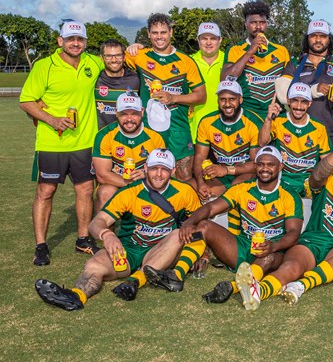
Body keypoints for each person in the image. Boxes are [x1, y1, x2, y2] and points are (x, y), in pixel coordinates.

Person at [34, 149, 205, 310]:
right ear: (145, 168)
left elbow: (200, 225)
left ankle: (135, 281)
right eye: (154, 168)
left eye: (164, 169)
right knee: (94, 265)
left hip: (161, 250)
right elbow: (97, 222)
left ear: (173, 170)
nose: (158, 174)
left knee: (177, 235)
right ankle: (76, 296)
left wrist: (201, 254)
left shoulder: (185, 192)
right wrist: (107, 234)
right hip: (128, 250)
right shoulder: (129, 192)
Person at [239, 132, 333, 306]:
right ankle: (258, 292)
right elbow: (317, 176)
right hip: (312, 243)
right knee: (290, 268)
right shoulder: (326, 178)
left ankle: (301, 285)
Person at [175, 145, 303, 310]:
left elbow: (293, 233)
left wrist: (273, 246)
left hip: (272, 251)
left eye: (270, 165)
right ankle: (177, 274)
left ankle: (232, 287)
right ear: (255, 166)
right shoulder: (243, 188)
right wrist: (189, 222)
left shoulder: (290, 195)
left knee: (269, 257)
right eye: (261, 164)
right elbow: (211, 208)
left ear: (280, 167)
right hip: (243, 247)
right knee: (204, 225)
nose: (265, 169)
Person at [20, 20, 104, 265]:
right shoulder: (45, 66)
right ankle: (41, 245)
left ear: (85, 42)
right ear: (60, 41)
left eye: (79, 39)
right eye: (70, 39)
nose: (75, 43)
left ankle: (82, 240)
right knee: (46, 192)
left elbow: (116, 60)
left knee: (86, 191)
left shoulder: (93, 63)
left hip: (85, 142)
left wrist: (135, 48)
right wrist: (52, 119)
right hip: (51, 143)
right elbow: (27, 101)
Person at [124, 13, 207, 184]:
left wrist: (174, 98)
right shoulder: (139, 56)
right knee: (148, 176)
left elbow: (201, 96)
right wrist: (131, 47)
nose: (159, 37)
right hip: (149, 127)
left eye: (163, 32)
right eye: (155, 33)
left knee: (185, 177)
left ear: (171, 32)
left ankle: (192, 211)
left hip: (178, 127)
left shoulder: (186, 61)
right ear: (148, 34)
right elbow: (113, 61)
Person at [276, 20, 333, 142]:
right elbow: (284, 96)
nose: (318, 40)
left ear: (329, 39)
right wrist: (315, 90)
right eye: (314, 36)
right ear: (307, 39)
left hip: (331, 132)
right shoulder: (294, 64)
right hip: (299, 132)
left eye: (323, 36)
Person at [92, 93, 166, 210]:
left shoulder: (155, 135)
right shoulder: (104, 135)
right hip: (117, 183)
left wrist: (146, 176)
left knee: (160, 188)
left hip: (146, 183)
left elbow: (163, 171)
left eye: (134, 114)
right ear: (116, 112)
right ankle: (104, 228)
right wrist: (132, 184)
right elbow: (103, 175)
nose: (129, 119)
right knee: (105, 192)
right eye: (124, 114)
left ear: (142, 112)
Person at [259, 82, 331, 198]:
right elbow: (262, 142)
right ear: (288, 100)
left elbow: (326, 161)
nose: (298, 106)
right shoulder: (278, 122)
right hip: (283, 179)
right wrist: (268, 119)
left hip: (309, 181)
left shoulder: (319, 128)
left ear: (310, 103)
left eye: (304, 102)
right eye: (295, 100)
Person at [193, 80, 261, 202]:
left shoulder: (253, 122)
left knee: (237, 189)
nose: (227, 104)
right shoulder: (206, 122)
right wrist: (200, 182)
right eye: (223, 99)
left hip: (244, 174)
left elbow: (257, 164)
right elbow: (199, 158)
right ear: (218, 101)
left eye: (232, 99)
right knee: (189, 188)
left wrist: (226, 170)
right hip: (220, 174)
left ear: (240, 99)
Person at [222, 1, 290, 121]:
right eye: (253, 22)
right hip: (248, 116)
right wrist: (250, 51)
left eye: (262, 22)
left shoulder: (281, 51)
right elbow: (225, 79)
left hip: (277, 115)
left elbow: (288, 84)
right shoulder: (236, 50)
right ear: (245, 24)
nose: (258, 27)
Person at [189, 22, 226, 141]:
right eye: (204, 38)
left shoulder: (230, 61)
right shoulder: (188, 61)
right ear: (198, 40)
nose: (208, 42)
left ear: (220, 40)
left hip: (224, 129)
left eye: (213, 38)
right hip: (194, 129)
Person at [94, 39, 140, 130]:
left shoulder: (136, 78)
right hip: (101, 136)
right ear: (102, 58)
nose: (114, 60)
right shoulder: (95, 78)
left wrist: (140, 47)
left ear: (124, 57)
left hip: (128, 136)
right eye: (108, 56)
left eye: (118, 55)